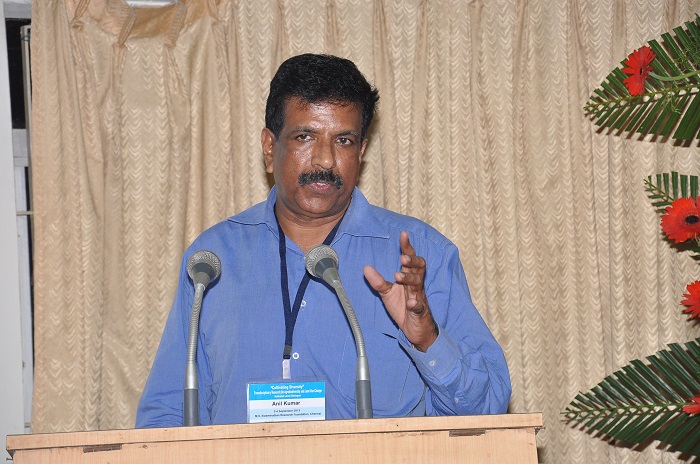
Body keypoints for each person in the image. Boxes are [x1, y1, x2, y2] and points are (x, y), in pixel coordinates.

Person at [136, 53, 511, 427]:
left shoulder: (417, 256)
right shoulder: (212, 260)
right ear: (270, 147)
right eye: (305, 137)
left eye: (343, 140)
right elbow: (166, 416)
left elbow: (488, 413)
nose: (326, 160)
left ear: (361, 152)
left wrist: (427, 340)